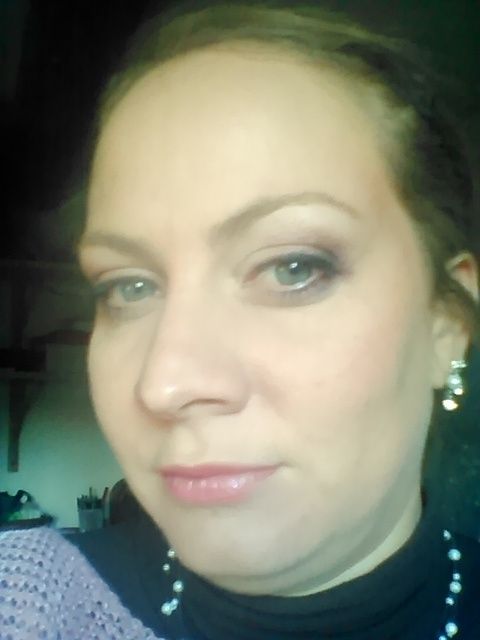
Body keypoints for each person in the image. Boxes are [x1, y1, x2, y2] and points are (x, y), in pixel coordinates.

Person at [1, 2, 479, 639]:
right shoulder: (25, 603)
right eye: (128, 286)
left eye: (291, 268)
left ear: (447, 322)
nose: (164, 384)